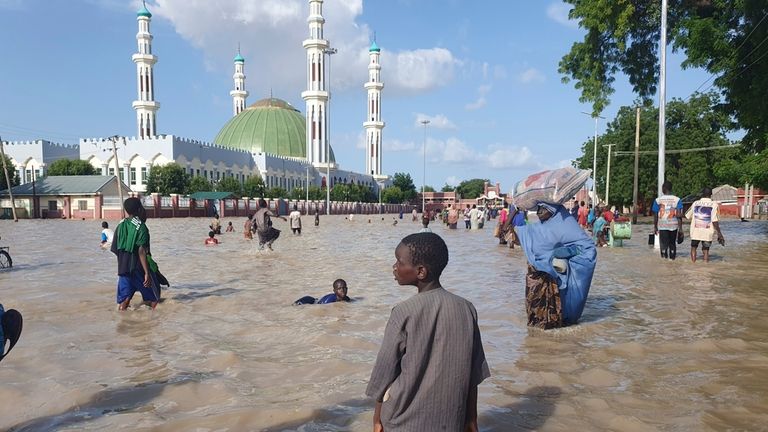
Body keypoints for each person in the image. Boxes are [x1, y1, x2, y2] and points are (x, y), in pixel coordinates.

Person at [366, 233, 490, 431]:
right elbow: (472, 373)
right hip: (451, 420)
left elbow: (385, 372)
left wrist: (377, 418)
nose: (394, 267)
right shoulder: (466, 308)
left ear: (421, 271)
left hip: (402, 420)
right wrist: (471, 419)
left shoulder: (403, 311)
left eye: (399, 261)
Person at [514, 203, 597, 327]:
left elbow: (587, 249)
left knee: (555, 316)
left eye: (542, 209)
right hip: (536, 277)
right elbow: (509, 231)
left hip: (553, 276)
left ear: (552, 211)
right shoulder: (537, 228)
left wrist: (556, 254)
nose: (538, 213)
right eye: (538, 210)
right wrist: (514, 210)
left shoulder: (565, 226)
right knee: (535, 319)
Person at [111, 197, 160, 310]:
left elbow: (115, 249)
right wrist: (147, 273)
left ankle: (122, 324)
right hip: (138, 268)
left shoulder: (120, 225)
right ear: (139, 209)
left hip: (123, 268)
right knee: (154, 299)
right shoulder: (141, 227)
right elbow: (141, 251)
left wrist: (124, 262)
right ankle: (153, 324)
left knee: (125, 300)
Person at [685, 187, 725, 263]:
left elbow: (687, 215)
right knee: (706, 251)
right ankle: (705, 268)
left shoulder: (695, 203)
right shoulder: (714, 205)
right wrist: (719, 234)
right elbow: (715, 221)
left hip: (695, 232)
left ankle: (693, 264)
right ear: (711, 195)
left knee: (693, 248)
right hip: (707, 233)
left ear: (702, 194)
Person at [652, 181, 684, 260]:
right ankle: (672, 261)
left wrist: (655, 227)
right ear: (671, 189)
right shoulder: (677, 200)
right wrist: (680, 229)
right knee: (672, 244)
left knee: (663, 245)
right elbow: (679, 215)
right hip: (673, 225)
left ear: (663, 189)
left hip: (663, 225)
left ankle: (664, 262)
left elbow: (656, 215)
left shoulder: (658, 200)